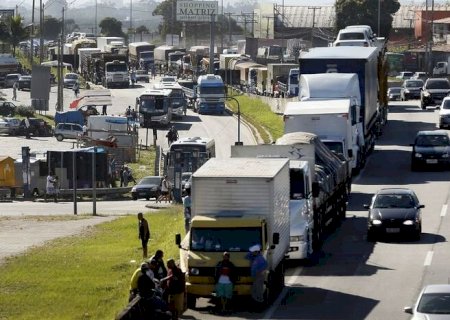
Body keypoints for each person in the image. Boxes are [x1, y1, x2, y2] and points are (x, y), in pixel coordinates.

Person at [245, 244, 267, 311]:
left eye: (253, 251)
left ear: (257, 251)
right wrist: (251, 251)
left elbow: (265, 266)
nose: (252, 252)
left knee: (258, 292)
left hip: (259, 276)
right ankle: (257, 306)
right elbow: (246, 257)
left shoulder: (260, 258)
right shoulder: (254, 257)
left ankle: (260, 307)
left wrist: (260, 272)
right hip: (256, 277)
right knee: (254, 292)